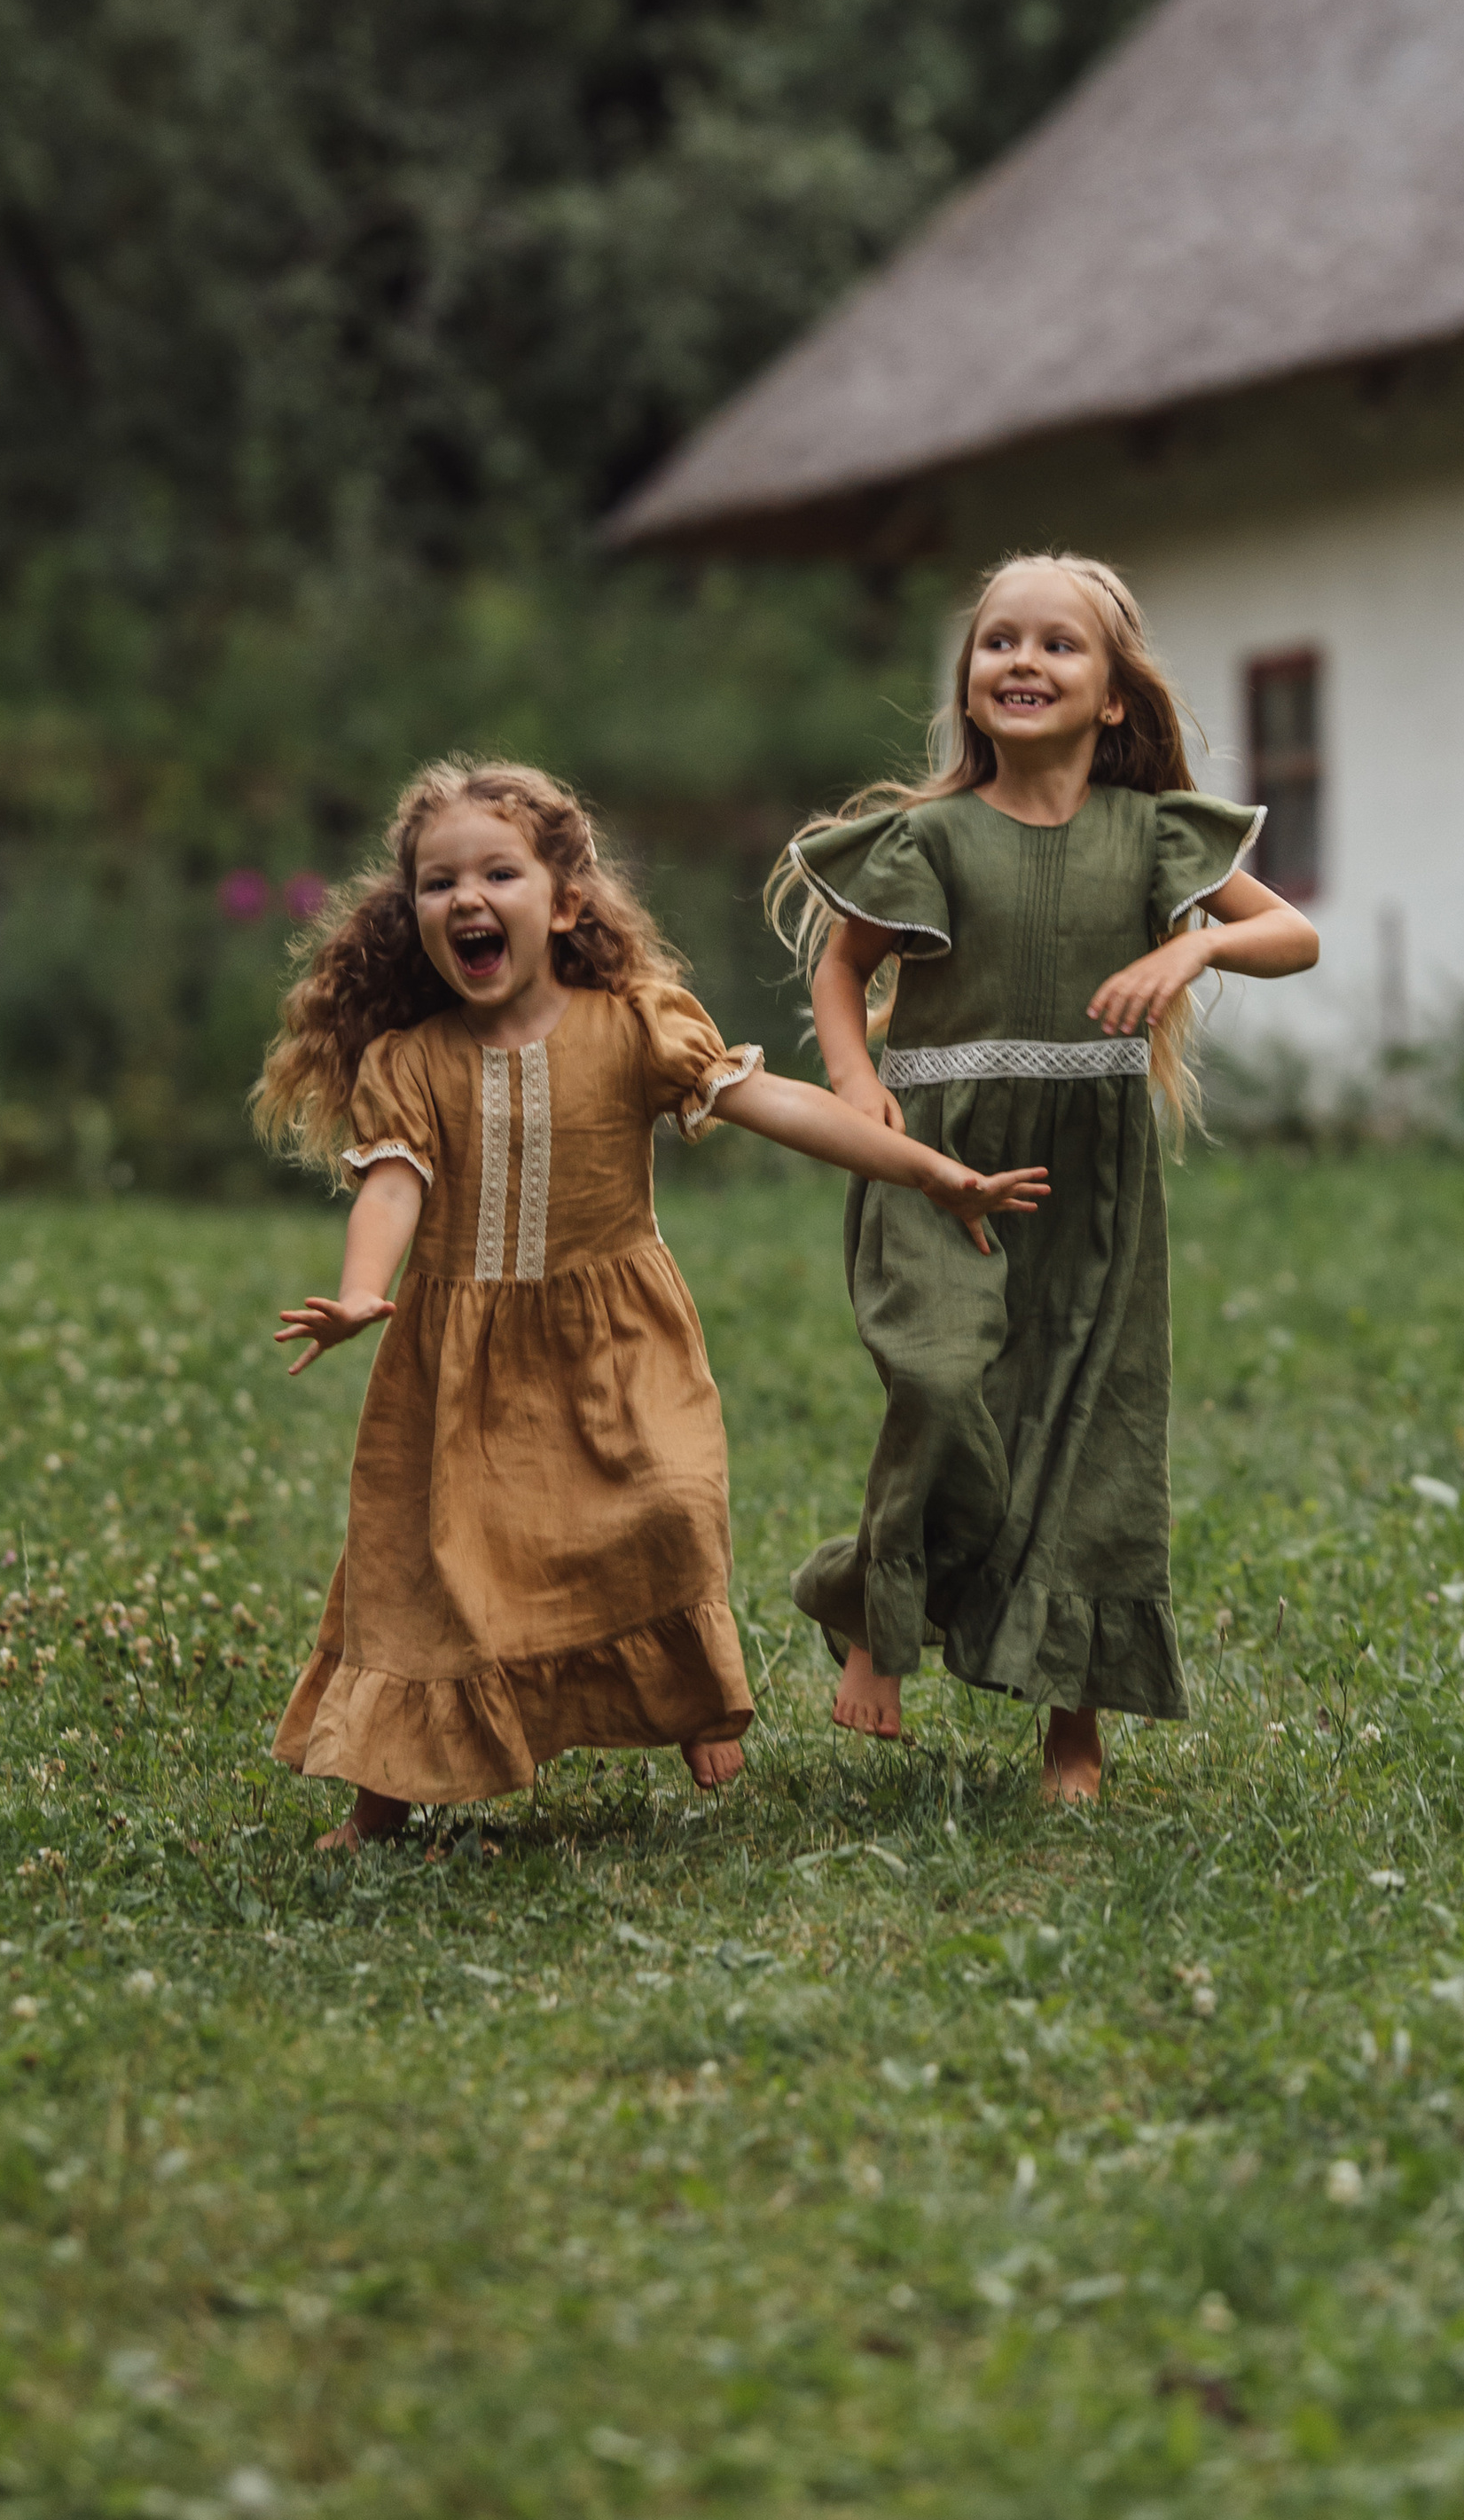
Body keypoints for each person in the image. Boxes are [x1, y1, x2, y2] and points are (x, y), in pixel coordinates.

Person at [254, 757, 1048, 1850]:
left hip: (615, 1339)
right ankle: (379, 1802)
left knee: (666, 1511)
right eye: (438, 885)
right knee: (434, 1573)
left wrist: (926, 1170)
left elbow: (776, 1103)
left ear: (564, 901)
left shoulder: (634, 1024)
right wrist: (358, 1292)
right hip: (457, 1359)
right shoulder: (411, 1061)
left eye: (497, 873)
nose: (465, 900)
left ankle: (686, 1698)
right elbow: (395, 1185)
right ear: (415, 914)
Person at [768, 552, 1319, 1806]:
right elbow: (843, 969)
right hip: (939, 1154)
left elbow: (1294, 933)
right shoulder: (930, 837)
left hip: (1095, 1169)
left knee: (1092, 1427)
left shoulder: (1155, 833)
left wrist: (1196, 953)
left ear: (1115, 696)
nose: (1022, 660)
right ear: (969, 687)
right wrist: (858, 1084)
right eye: (998, 641)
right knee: (940, 1374)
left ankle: (1075, 1727)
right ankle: (879, 1609)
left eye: (1058, 645)